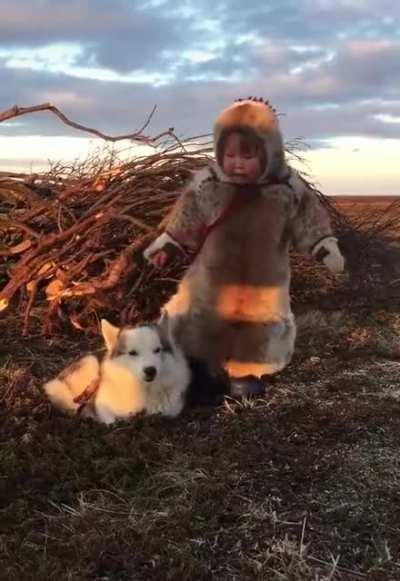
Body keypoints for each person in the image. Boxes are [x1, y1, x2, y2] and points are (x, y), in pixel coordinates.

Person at [143, 97, 345, 397]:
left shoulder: (286, 188)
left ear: (269, 153)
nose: (237, 162)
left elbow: (307, 217)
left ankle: (247, 376)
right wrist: (170, 243)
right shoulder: (209, 184)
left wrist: (323, 245)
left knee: (256, 328)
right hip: (212, 275)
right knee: (198, 322)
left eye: (247, 156)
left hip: (261, 279)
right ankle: (197, 374)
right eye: (230, 154)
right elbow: (187, 215)